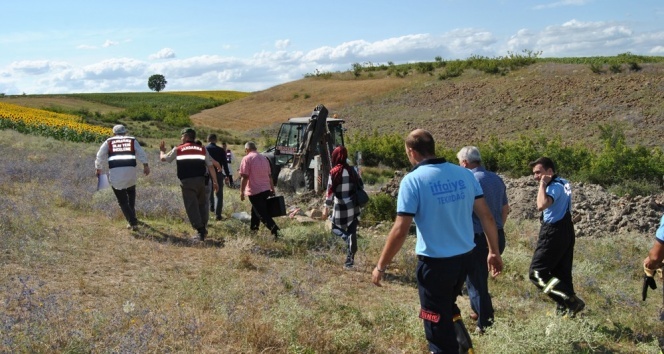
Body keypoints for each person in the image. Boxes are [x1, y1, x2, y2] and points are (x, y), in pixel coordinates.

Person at [372, 129, 503, 353]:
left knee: (434, 321)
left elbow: (400, 230)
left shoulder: (412, 181)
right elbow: (487, 216)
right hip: (465, 258)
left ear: (411, 152)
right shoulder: (464, 175)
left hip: (435, 264)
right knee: (447, 307)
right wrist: (494, 251)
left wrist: (380, 266)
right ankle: (464, 347)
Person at [457, 146, 510, 333]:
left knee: (476, 281)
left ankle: (485, 324)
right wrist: (496, 229)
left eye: (459, 163)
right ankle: (478, 311)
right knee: (477, 278)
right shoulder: (496, 178)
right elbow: (505, 209)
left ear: (464, 162)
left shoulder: (469, 180)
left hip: (478, 237)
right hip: (496, 235)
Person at [528, 157, 585, 317]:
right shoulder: (564, 182)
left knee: (537, 273)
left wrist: (543, 184)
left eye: (538, 172)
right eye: (534, 173)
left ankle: (571, 301)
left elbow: (541, 205)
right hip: (566, 229)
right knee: (562, 273)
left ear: (550, 172)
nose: (536, 176)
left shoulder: (553, 186)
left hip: (553, 231)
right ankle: (566, 313)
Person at [159, 128, 219, 242]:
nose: (181, 138)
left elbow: (163, 159)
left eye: (182, 136)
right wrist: (215, 182)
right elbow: (210, 166)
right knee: (202, 205)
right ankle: (203, 229)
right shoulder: (202, 149)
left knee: (191, 206)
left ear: (186, 137)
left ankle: (200, 230)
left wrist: (162, 151)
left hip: (187, 182)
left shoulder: (178, 149)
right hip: (202, 181)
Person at [95, 124, 150, 231]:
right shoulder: (132, 140)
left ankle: (133, 222)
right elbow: (141, 153)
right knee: (131, 196)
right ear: (125, 132)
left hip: (116, 174)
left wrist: (98, 168)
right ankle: (132, 217)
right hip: (131, 173)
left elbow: (100, 155)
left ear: (114, 133)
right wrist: (146, 165)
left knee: (122, 201)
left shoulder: (109, 141)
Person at [323, 146, 363, 269]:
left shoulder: (334, 172)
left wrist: (326, 207)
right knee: (352, 232)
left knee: (334, 228)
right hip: (353, 206)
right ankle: (349, 262)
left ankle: (346, 238)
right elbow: (361, 186)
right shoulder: (353, 170)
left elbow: (330, 192)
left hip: (340, 207)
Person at [239, 141, 280, 238]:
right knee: (255, 211)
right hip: (266, 190)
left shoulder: (247, 158)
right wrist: (272, 189)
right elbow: (270, 176)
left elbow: (244, 177)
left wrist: (241, 192)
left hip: (255, 191)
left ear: (247, 149)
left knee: (262, 214)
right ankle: (254, 231)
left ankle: (277, 232)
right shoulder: (264, 158)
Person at [206, 134, 230, 221]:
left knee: (209, 192)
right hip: (218, 173)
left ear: (208, 139)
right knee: (219, 194)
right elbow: (225, 164)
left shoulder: (205, 149)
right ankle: (218, 215)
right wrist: (227, 175)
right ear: (216, 140)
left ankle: (211, 208)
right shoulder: (221, 150)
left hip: (207, 173)